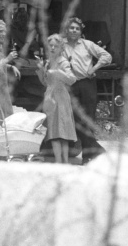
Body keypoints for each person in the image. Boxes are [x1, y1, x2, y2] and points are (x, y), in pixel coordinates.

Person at [62, 17, 112, 163]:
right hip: (71, 85)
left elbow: (107, 56)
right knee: (75, 119)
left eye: (77, 29)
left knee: (88, 119)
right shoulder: (61, 45)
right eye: (71, 28)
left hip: (87, 84)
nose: (74, 31)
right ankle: (97, 151)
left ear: (80, 31)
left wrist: (94, 68)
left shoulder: (87, 44)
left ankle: (87, 156)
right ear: (66, 30)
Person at [36, 34, 77, 163]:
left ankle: (64, 161)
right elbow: (45, 82)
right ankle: (58, 162)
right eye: (50, 46)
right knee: (53, 132)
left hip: (61, 98)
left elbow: (72, 79)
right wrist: (41, 70)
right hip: (50, 98)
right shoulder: (48, 62)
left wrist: (57, 72)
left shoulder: (63, 62)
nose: (53, 48)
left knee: (63, 132)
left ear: (61, 48)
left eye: (56, 46)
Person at [0, 19, 21, 117]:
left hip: (3, 87)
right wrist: (8, 59)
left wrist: (10, 66)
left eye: (5, 31)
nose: (4, 34)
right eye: (0, 31)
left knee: (5, 116)